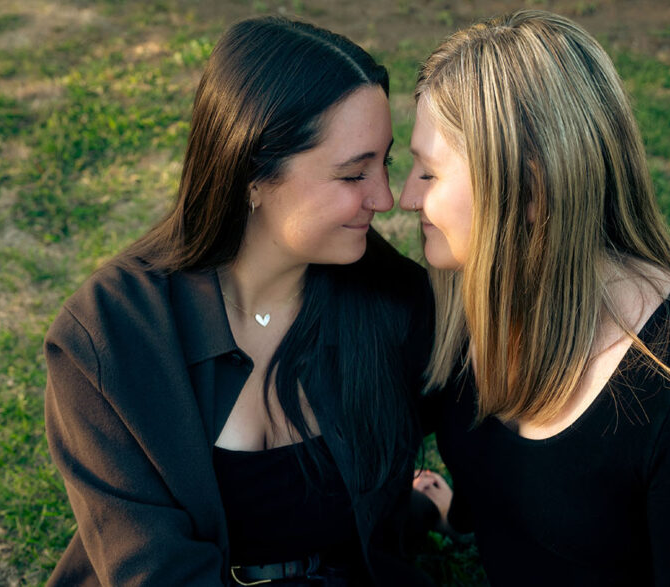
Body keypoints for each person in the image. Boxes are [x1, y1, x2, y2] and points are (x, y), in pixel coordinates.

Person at [400, 10, 670, 586]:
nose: (405, 197)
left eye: (429, 174)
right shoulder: (463, 309)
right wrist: (455, 513)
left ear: (530, 188)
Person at [44, 16, 435, 586]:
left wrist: (432, 509)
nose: (385, 197)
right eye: (354, 174)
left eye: (385, 162)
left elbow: (503, 426)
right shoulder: (110, 335)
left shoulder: (392, 298)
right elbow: (154, 569)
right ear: (252, 175)